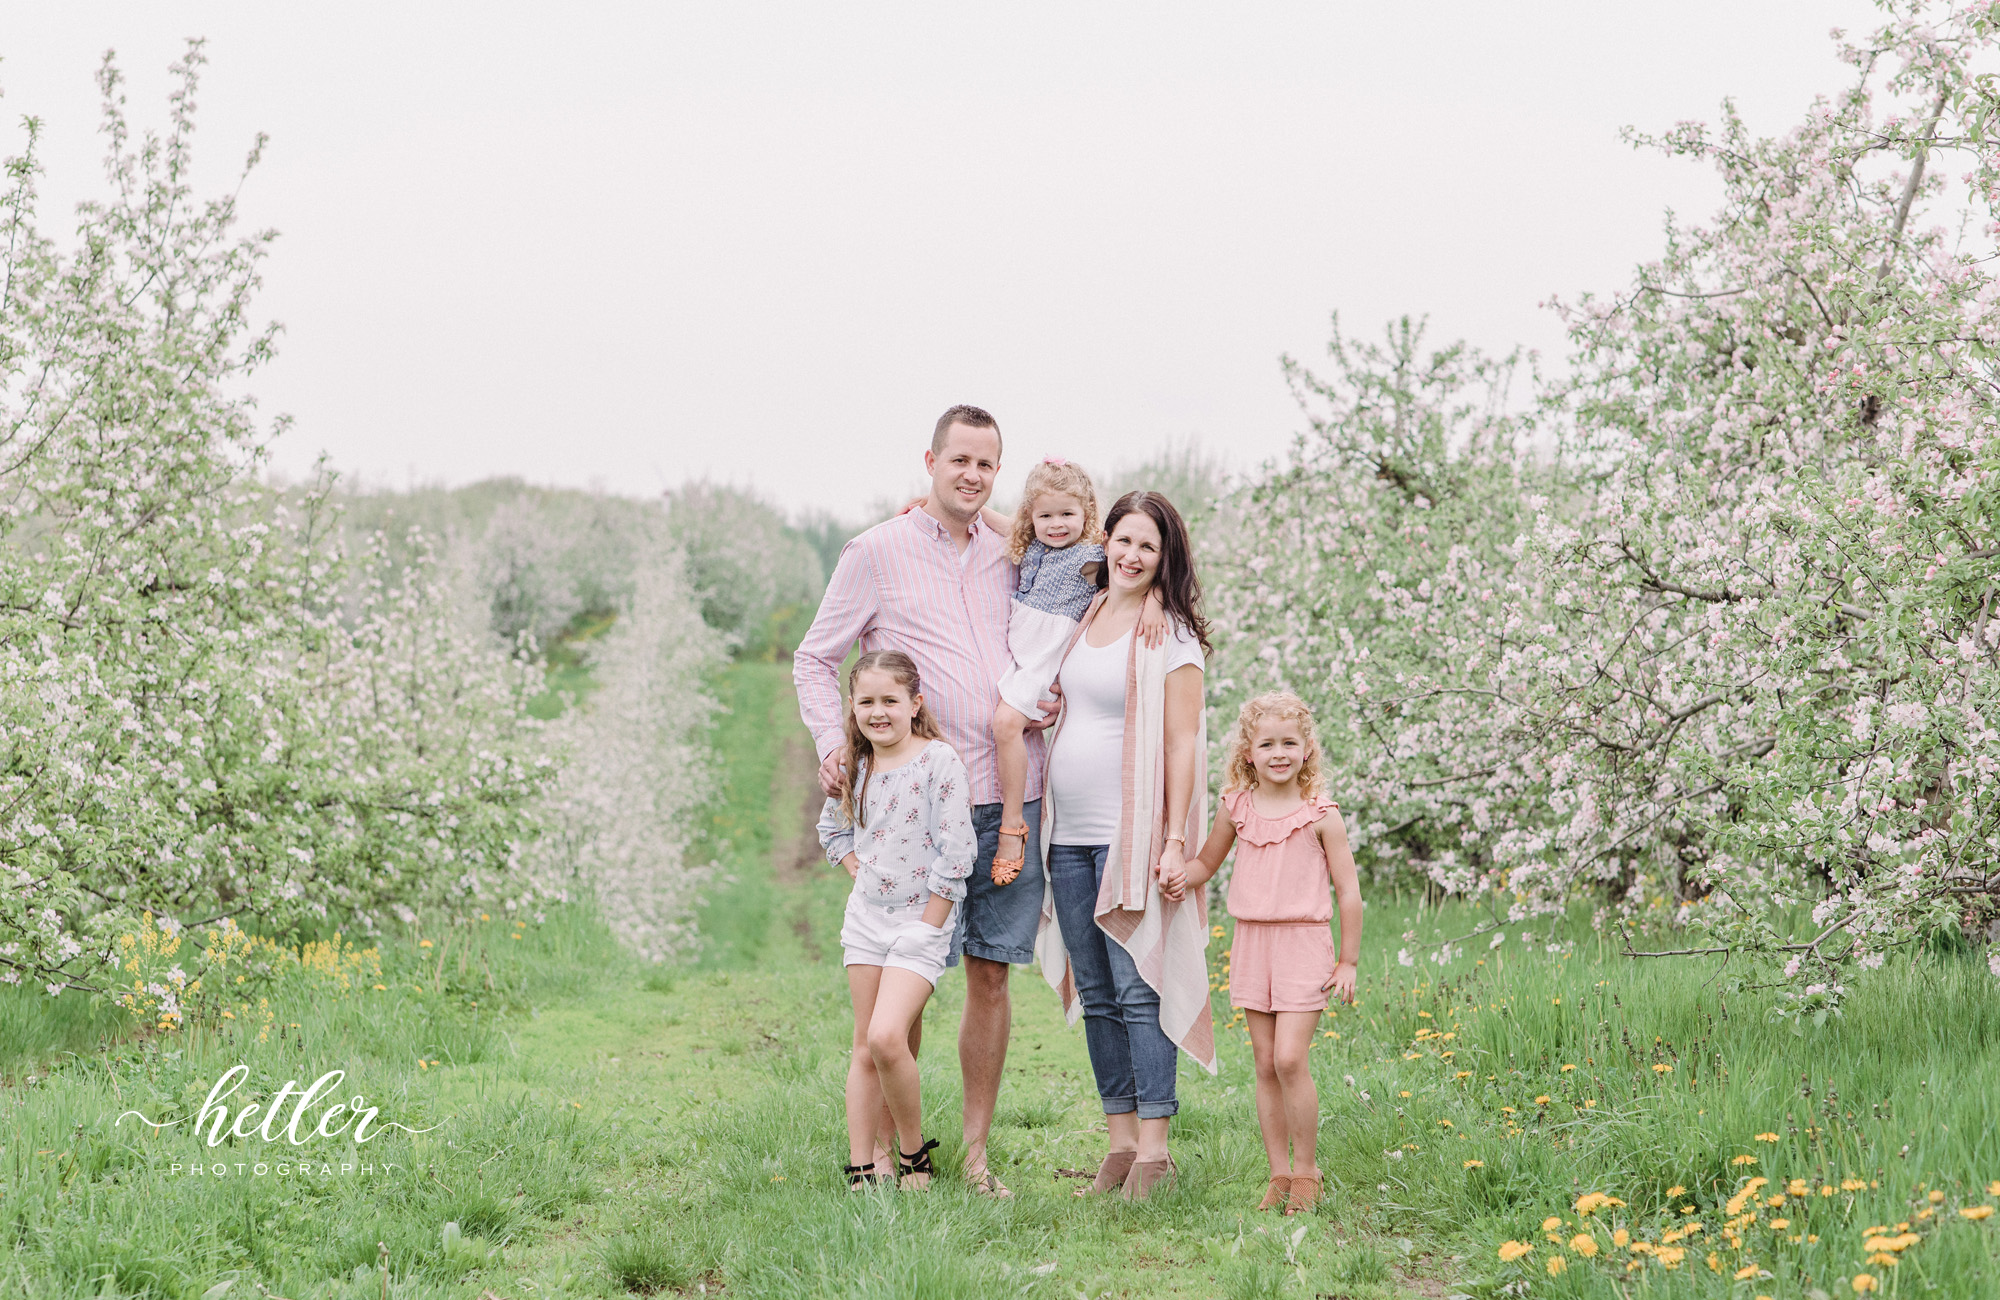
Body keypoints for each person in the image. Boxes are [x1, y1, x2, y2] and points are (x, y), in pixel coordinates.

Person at [794, 403, 1052, 1197]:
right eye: (959, 461)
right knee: (899, 989)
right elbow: (815, 657)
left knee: (990, 975)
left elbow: (1086, 559)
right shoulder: (875, 551)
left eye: (986, 464)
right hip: (914, 810)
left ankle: (973, 1158)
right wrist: (834, 746)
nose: (971, 475)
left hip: (1008, 797)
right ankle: (881, 1156)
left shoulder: (1013, 555)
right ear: (930, 461)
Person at [1033, 490, 1216, 1201]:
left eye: (1149, 546)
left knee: (1139, 992)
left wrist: (1173, 841)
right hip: (1067, 836)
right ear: (1103, 541)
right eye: (1124, 541)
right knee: (1099, 997)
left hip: (1129, 837)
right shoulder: (1084, 616)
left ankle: (1156, 1153)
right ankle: (1118, 1143)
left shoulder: (1170, 635)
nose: (1132, 556)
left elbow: (1182, 744)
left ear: (1164, 559)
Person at [1168, 691, 1363, 1216]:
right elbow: (1206, 863)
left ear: (1307, 749)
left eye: (1290, 742)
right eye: (1268, 743)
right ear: (1248, 752)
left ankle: (1307, 1171)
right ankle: (1278, 1172)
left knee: (1290, 1058)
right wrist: (1174, 875)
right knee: (1262, 1062)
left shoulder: (1322, 815)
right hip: (1252, 942)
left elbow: (1349, 892)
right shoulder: (1236, 807)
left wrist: (1347, 961)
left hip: (1304, 944)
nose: (1280, 753)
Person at [817, 651, 974, 1192]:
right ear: (852, 708)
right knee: (864, 1045)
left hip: (920, 924)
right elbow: (831, 830)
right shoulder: (854, 767)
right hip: (865, 922)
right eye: (866, 701)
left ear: (915, 703)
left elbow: (958, 853)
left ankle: (913, 1153)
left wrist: (930, 925)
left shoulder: (938, 762)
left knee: (889, 1038)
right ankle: (862, 1168)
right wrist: (862, 875)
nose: (878, 712)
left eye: (890, 700)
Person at [989, 457, 1164, 886]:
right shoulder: (1032, 549)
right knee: (1007, 723)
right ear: (1030, 517)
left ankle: (1012, 825)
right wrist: (956, 507)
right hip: (1023, 657)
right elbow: (1002, 524)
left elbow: (1132, 572)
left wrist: (1157, 597)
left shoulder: (1089, 557)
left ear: (1087, 514)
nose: (1056, 524)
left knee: (1006, 724)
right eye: (1044, 515)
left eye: (1067, 514)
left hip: (1043, 658)